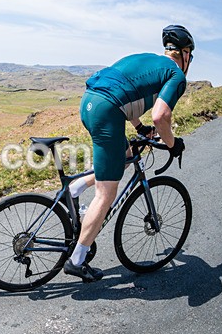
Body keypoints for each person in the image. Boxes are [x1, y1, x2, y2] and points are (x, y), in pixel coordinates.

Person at [63, 25, 192, 282]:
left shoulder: (147, 59)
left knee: (122, 158)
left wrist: (140, 127)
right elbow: (161, 115)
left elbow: (125, 91)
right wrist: (172, 144)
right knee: (106, 193)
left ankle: (76, 188)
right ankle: (77, 260)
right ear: (186, 54)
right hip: (108, 111)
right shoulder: (176, 75)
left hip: (90, 101)